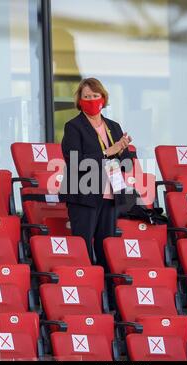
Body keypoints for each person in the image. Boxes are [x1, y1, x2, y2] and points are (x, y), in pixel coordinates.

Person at [59, 78, 133, 269]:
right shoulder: (73, 126)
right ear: (79, 100)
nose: (91, 100)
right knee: (82, 247)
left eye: (95, 95)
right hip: (84, 195)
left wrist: (123, 149)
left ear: (103, 97)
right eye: (86, 96)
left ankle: (107, 293)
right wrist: (108, 151)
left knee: (106, 250)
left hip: (111, 194)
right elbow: (76, 162)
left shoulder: (113, 126)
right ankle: (84, 287)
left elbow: (126, 165)